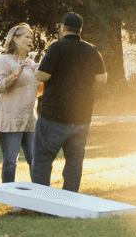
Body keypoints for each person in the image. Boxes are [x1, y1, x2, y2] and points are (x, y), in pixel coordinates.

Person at [32, 12, 107, 191]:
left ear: (63, 28)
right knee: (74, 162)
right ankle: (70, 198)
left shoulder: (57, 47)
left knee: (43, 159)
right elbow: (102, 79)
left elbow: (42, 75)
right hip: (82, 116)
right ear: (80, 29)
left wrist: (37, 71)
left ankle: (41, 199)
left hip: (53, 115)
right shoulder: (91, 49)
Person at [0, 23, 39, 183]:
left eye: (31, 38)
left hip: (29, 119)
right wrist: (16, 74)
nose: (30, 41)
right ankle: (7, 196)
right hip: (9, 118)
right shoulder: (4, 61)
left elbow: (36, 88)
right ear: (15, 39)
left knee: (35, 160)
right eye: (27, 37)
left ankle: (38, 196)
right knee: (10, 161)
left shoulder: (30, 62)